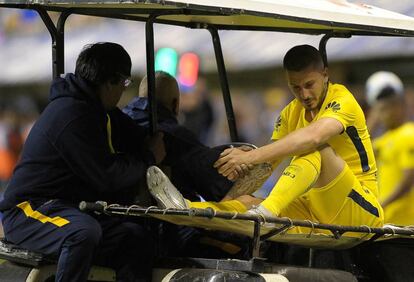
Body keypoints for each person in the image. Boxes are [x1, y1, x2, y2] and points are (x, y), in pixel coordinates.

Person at [146, 45, 384, 236]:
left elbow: (314, 136)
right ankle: (187, 208)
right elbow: (267, 165)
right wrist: (228, 202)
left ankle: (266, 212)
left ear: (325, 75)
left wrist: (249, 156)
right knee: (247, 202)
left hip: (359, 209)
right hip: (314, 208)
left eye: (309, 85)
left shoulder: (343, 99)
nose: (304, 94)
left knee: (315, 149)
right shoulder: (290, 112)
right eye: (295, 87)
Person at [0, 42, 165, 282]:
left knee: (134, 237)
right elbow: (107, 175)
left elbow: (137, 136)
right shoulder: (71, 114)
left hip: (66, 209)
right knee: (82, 233)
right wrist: (149, 158)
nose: (122, 92)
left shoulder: (96, 108)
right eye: (124, 84)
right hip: (29, 210)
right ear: (110, 82)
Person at [122, 71, 272, 202]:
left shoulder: (119, 124)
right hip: (170, 225)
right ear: (176, 104)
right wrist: (238, 159)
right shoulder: (175, 136)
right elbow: (216, 186)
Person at [365, 71, 414, 226]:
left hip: (405, 224)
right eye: (379, 110)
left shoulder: (408, 134)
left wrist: (382, 204)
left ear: (398, 107)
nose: (382, 116)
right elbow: (362, 150)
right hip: (389, 221)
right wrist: (372, 121)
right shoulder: (386, 139)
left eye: (384, 109)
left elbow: (409, 179)